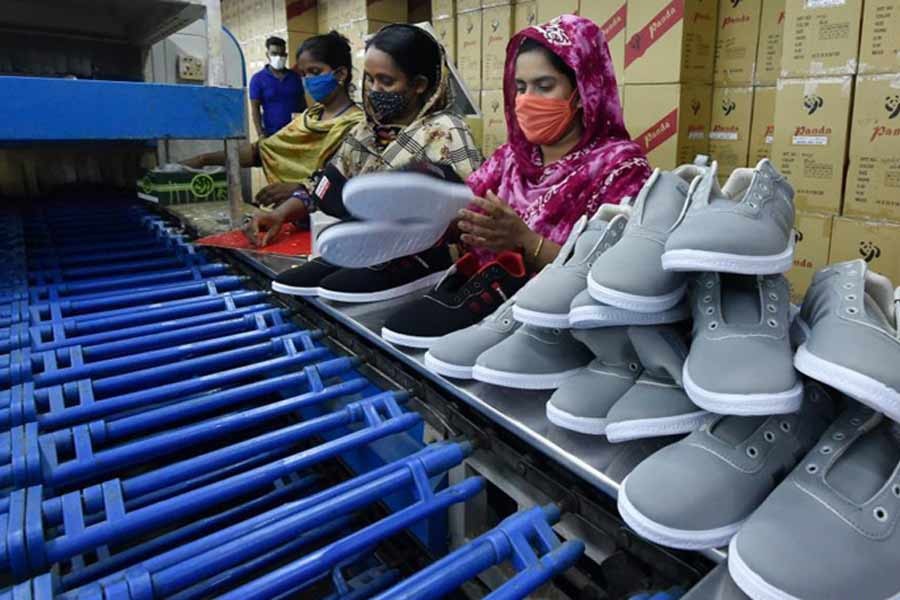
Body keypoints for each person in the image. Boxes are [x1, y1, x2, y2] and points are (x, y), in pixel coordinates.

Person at [263, 24, 484, 301]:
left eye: (386, 81)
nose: (374, 90)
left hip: (423, 257)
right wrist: (280, 214)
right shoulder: (365, 131)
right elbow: (326, 184)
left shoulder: (445, 132)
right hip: (368, 241)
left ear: (419, 85)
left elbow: (472, 212)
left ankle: (408, 260)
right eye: (370, 79)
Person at [459, 15, 650, 272]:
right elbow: (462, 209)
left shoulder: (621, 168)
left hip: (557, 309)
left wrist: (527, 242)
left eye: (544, 86)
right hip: (480, 298)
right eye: (520, 87)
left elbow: (618, 270)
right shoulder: (511, 159)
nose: (526, 100)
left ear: (583, 92)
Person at [182, 32, 363, 211]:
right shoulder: (310, 117)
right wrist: (204, 159)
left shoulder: (357, 127)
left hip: (328, 221)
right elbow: (264, 151)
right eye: (304, 74)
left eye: (315, 72)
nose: (308, 80)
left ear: (340, 74)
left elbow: (344, 183)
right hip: (292, 219)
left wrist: (299, 189)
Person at [249, 36, 306, 139]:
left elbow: (302, 104)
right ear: (267, 55)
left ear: (286, 55)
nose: (278, 57)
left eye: (281, 54)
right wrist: (260, 133)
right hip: (272, 135)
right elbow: (255, 109)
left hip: (296, 132)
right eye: (274, 54)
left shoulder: (295, 77)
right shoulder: (257, 79)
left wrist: (306, 127)